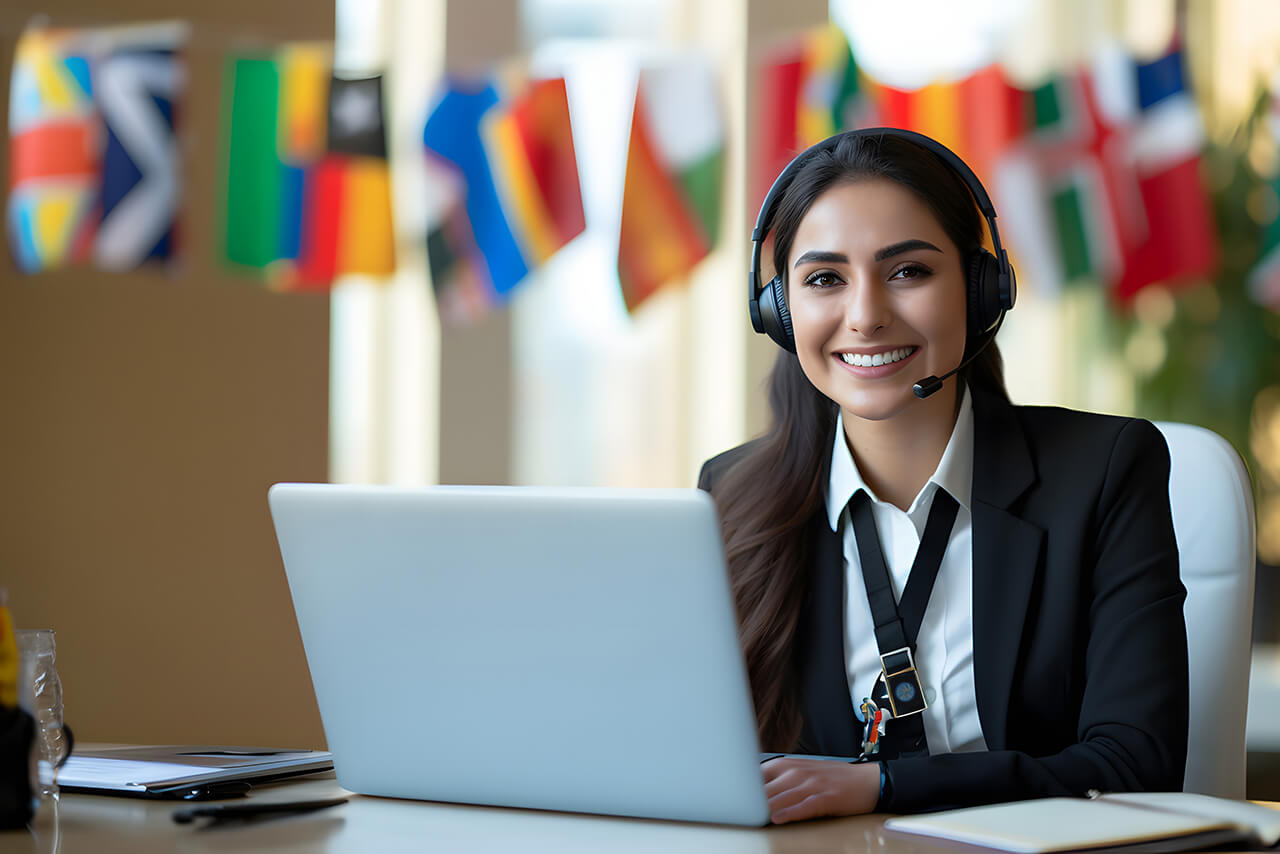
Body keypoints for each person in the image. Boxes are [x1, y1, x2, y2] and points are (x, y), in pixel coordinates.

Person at [697, 129, 1188, 823]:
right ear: (778, 312)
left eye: (908, 272)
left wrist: (884, 786)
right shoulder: (731, 495)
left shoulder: (1105, 471)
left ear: (982, 290)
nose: (865, 316)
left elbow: (1137, 764)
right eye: (824, 279)